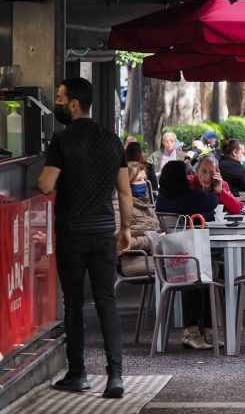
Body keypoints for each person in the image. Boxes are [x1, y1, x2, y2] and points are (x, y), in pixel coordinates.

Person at [37, 76, 130, 398]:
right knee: (107, 302)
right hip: (104, 232)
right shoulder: (112, 140)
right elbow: (125, 192)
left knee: (74, 303)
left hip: (72, 235)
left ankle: (77, 374)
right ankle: (115, 377)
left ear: (74, 104)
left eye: (61, 98)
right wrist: (126, 229)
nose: (58, 103)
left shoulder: (62, 139)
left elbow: (47, 184)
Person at [154, 161, 220, 349]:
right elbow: (211, 204)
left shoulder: (162, 199)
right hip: (187, 258)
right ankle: (199, 330)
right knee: (204, 274)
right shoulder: (189, 196)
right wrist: (214, 193)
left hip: (169, 256)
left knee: (203, 273)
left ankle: (200, 331)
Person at [112, 162, 162, 276]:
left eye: (145, 180)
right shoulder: (117, 206)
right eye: (138, 180)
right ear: (127, 184)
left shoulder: (147, 204)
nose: (143, 184)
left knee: (189, 262)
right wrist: (154, 239)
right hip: (132, 261)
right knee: (178, 266)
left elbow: (158, 232)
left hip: (153, 255)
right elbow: (119, 243)